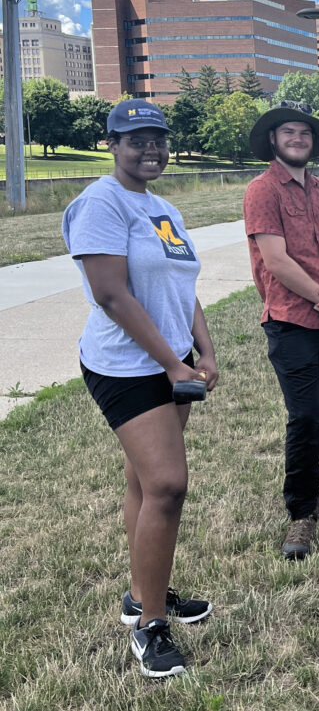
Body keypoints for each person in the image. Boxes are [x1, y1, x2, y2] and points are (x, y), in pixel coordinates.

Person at [62, 99, 217, 679]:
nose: (150, 149)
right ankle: (151, 626)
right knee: (169, 485)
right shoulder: (99, 202)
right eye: (136, 139)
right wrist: (172, 366)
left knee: (144, 482)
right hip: (126, 366)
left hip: (172, 361)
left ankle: (142, 592)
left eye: (157, 138)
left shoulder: (163, 207)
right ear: (112, 144)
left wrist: (203, 349)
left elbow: (184, 283)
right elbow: (111, 294)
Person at [243, 100, 319, 560]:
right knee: (305, 416)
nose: (297, 139)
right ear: (274, 140)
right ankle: (300, 513)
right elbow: (275, 261)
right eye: (289, 132)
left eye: (305, 134)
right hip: (290, 322)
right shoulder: (262, 190)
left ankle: (312, 495)